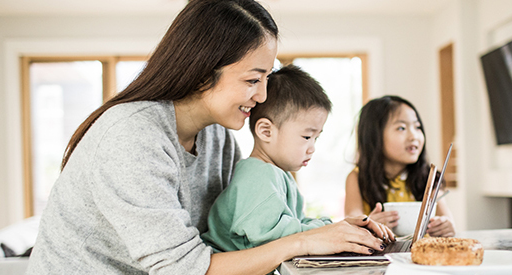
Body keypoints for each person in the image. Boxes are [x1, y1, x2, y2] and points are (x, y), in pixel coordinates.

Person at [26, 1, 391, 274]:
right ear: (203, 72)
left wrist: (333, 231)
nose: (263, 96)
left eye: (266, 79)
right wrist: (305, 240)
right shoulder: (131, 136)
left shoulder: (217, 136)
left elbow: (231, 235)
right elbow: (183, 268)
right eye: (252, 80)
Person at [201, 65, 393, 253]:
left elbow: (295, 224)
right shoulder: (258, 175)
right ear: (266, 131)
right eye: (307, 137)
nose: (312, 148)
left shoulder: (277, 174)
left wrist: (333, 227)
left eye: (316, 138)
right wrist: (326, 232)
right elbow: (269, 237)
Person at [344, 95, 456, 237]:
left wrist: (446, 226)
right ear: (374, 136)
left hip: (422, 256)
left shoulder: (428, 177)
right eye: (401, 128)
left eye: (417, 127)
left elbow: (446, 219)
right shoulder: (356, 177)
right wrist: (368, 225)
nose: (414, 136)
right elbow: (351, 224)